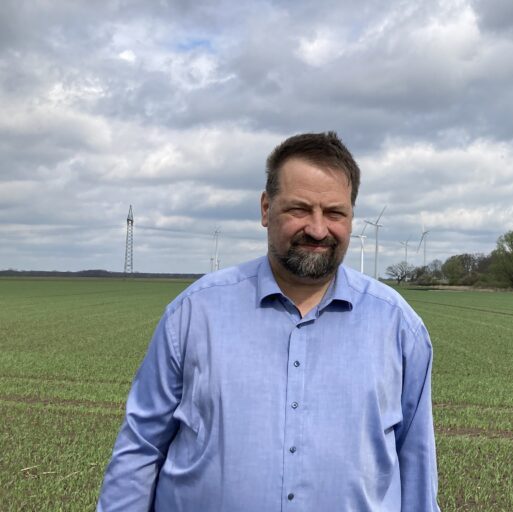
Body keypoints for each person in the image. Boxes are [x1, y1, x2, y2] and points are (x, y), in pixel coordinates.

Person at [97, 132, 440, 511]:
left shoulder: (399, 328)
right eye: (299, 209)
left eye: (335, 213)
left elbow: (417, 465)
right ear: (265, 208)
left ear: (352, 217)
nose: (318, 229)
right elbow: (140, 447)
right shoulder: (194, 314)